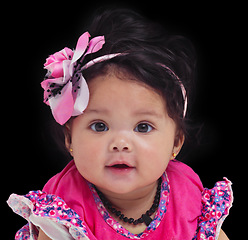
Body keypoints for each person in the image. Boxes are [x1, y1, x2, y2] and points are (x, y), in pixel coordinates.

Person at [7, 8, 233, 240]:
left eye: (143, 127)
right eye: (100, 126)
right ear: (70, 138)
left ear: (175, 143)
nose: (120, 144)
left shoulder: (186, 195)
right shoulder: (66, 207)